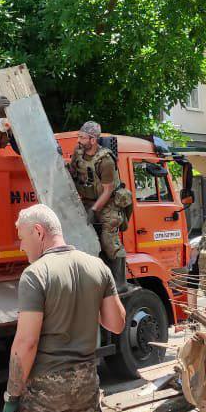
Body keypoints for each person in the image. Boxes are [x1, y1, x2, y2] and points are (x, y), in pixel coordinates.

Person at [3, 204, 126, 412]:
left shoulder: (35, 275)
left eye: (22, 238)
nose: (21, 246)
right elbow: (116, 323)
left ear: (39, 232)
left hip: (43, 391)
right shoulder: (96, 266)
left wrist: (12, 397)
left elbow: (26, 343)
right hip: (85, 384)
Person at [68, 121, 128, 290]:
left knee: (109, 241)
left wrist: (94, 210)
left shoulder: (105, 160)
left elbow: (108, 190)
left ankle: (120, 282)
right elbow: (72, 172)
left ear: (93, 140)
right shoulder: (78, 152)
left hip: (107, 203)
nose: (79, 140)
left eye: (82, 137)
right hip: (87, 201)